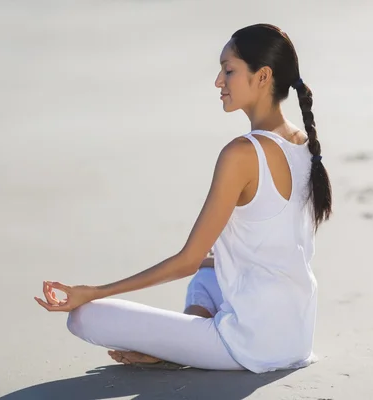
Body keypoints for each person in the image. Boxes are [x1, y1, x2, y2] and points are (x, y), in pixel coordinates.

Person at [34, 23, 332, 374]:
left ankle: (179, 350)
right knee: (206, 276)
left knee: (85, 318)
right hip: (296, 336)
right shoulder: (303, 143)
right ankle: (180, 347)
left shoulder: (242, 154)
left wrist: (94, 292)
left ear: (263, 76)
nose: (219, 81)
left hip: (252, 345)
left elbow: (186, 260)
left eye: (229, 69)